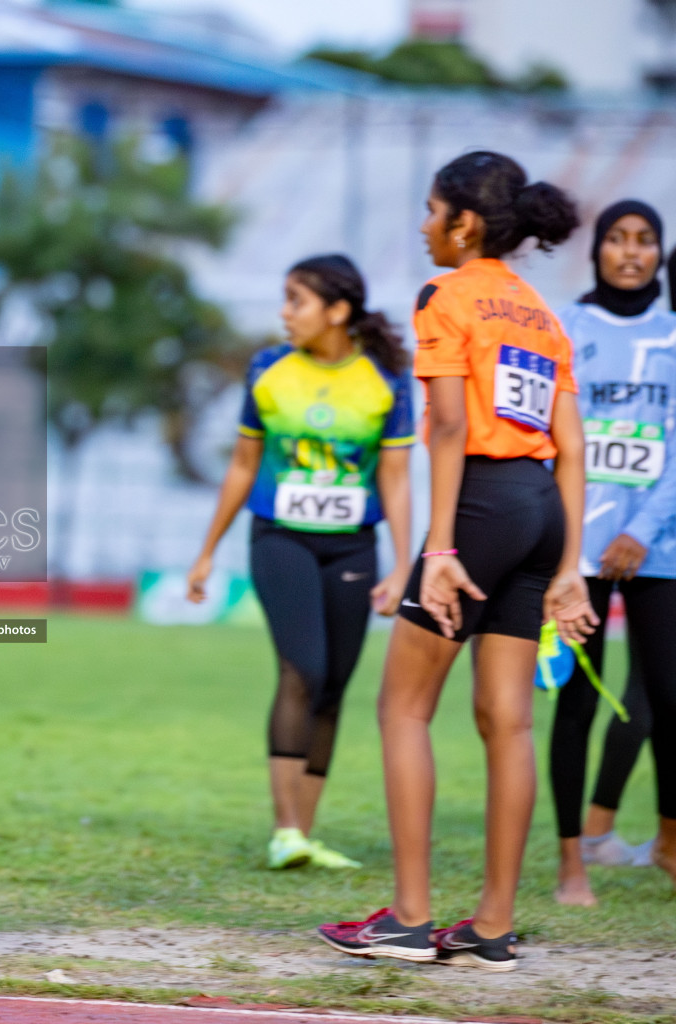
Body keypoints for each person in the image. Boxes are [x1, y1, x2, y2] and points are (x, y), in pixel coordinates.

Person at [318, 151, 596, 973]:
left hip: (477, 507)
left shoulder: (446, 294)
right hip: (541, 506)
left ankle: (408, 920)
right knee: (508, 723)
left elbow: (444, 428)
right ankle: (491, 931)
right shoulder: (543, 313)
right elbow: (572, 448)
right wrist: (570, 564)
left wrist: (436, 549)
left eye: (431, 209)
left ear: (463, 223)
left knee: (403, 710)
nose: (422, 224)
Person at [187, 254, 414, 871]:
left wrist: (401, 564)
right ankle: (284, 828)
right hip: (279, 539)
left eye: (297, 301)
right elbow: (241, 465)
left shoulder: (388, 380)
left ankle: (305, 834)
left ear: (337, 311)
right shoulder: (267, 370)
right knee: (304, 669)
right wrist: (206, 552)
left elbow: (395, 479)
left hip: (353, 545)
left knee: (335, 687)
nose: (285, 314)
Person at [550, 200, 676, 904]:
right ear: (597, 249)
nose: (631, 252)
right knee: (578, 698)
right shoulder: (568, 328)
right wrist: (572, 546)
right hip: (581, 549)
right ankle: (575, 860)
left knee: (670, 698)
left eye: (645, 240)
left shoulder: (675, 336)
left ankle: (668, 841)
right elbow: (552, 441)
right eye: (618, 240)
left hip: (658, 545)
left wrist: (644, 530)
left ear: (659, 253)